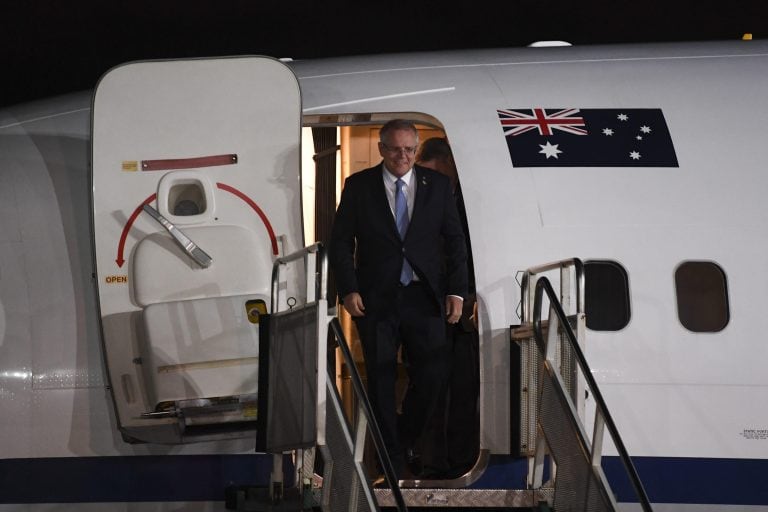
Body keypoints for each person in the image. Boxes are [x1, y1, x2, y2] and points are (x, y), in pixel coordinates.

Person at [329, 120, 468, 480]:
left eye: (408, 149)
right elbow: (342, 241)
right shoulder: (358, 186)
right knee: (380, 380)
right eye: (394, 149)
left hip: (425, 297)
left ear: (415, 149)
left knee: (434, 374)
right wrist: (348, 288)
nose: (401, 156)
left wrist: (457, 291)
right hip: (377, 300)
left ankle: (403, 437)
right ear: (381, 148)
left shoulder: (436, 185)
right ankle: (389, 464)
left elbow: (455, 241)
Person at [416, 137, 479, 480]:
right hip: (426, 310)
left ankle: (455, 458)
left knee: (461, 387)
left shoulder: (466, 205)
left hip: (460, 310)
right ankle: (432, 459)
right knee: (430, 386)